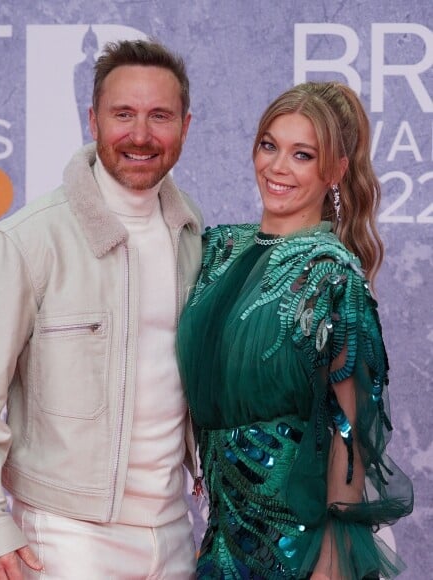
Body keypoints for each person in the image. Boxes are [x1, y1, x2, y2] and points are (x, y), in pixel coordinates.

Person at [0, 39, 203, 580]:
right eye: (123, 114)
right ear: (92, 120)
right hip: (67, 537)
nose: (141, 135)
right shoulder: (27, 240)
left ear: (185, 126)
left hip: (175, 530)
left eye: (160, 116)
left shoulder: (192, 235)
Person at [176, 81, 413, 579]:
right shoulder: (217, 250)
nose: (277, 167)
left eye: (301, 155)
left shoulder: (333, 276)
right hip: (220, 537)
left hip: (297, 545)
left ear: (335, 171)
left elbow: (349, 435)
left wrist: (330, 565)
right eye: (269, 145)